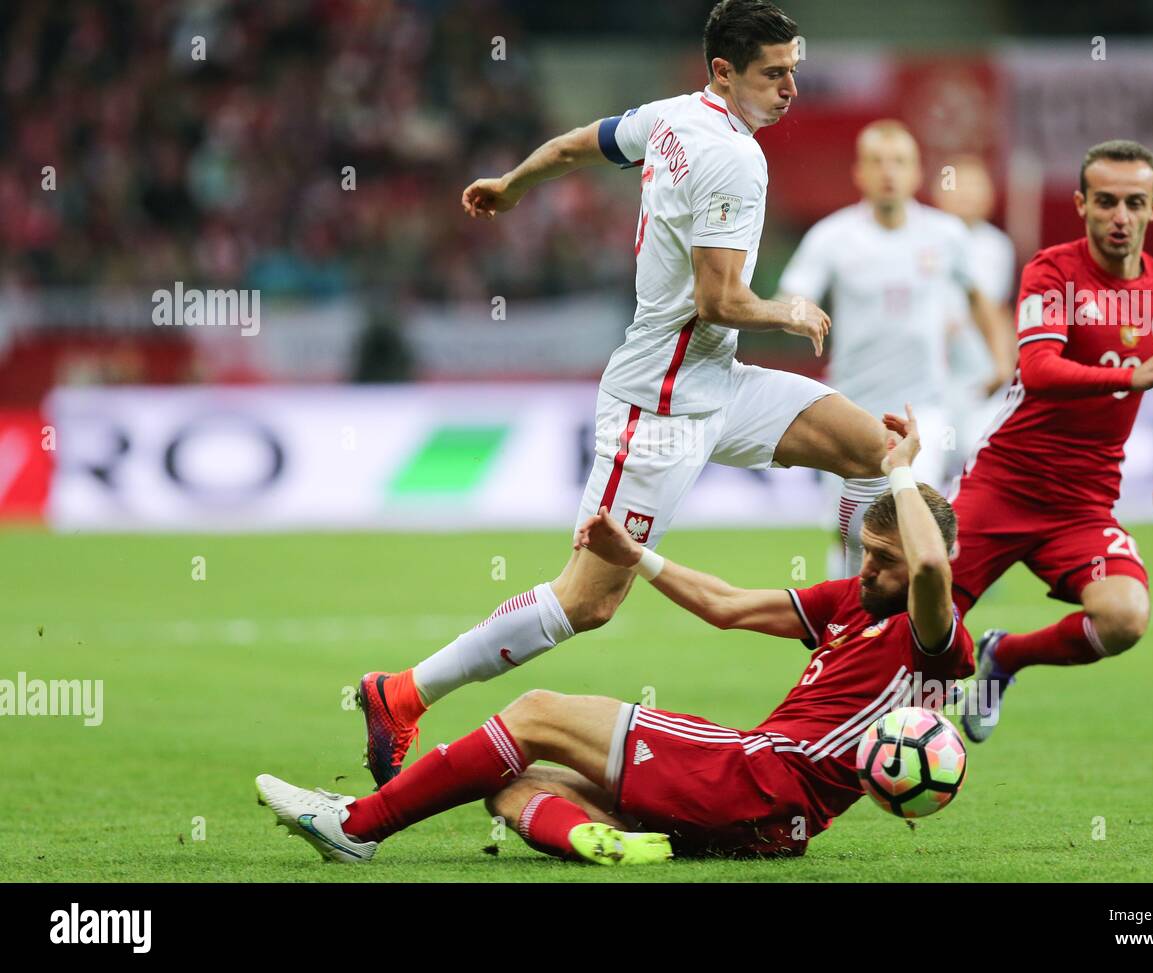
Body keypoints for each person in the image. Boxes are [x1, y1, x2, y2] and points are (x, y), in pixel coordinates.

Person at [354, 0, 899, 789]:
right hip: (661, 404)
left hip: (717, 381)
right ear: (724, 72)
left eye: (793, 71)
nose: (789, 88)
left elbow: (581, 143)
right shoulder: (734, 159)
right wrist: (791, 308)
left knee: (872, 449)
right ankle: (401, 692)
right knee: (588, 600)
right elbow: (719, 299)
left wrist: (512, 182)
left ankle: (852, 633)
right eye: (773, 74)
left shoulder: (673, 117)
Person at [256, 407, 974, 864]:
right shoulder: (851, 600)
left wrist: (900, 472)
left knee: (536, 709)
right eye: (868, 551)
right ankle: (598, 840)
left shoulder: (932, 633)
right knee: (509, 785)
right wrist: (639, 557)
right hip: (764, 823)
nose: (869, 565)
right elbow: (727, 605)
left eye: (886, 558)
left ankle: (355, 824)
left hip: (758, 774)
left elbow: (935, 563)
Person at [953, 139, 1153, 742]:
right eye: (1105, 202)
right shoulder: (1052, 271)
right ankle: (869, 729)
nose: (1119, 216)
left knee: (1124, 617)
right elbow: (1040, 370)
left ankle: (1007, 657)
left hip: (1081, 507)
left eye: (1132, 203)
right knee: (925, 620)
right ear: (1081, 204)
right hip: (1002, 485)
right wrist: (1130, 375)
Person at [777, 122, 1014, 578]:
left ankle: (905, 636)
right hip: (847, 408)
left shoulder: (944, 235)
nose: (889, 172)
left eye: (899, 162)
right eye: (877, 162)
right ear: (859, 173)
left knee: (911, 523)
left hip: (923, 408)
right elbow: (794, 291)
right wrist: (798, 312)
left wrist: (1001, 358)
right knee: (851, 531)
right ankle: (844, 627)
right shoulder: (834, 236)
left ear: (916, 172)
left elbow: (979, 298)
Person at [931, 154, 1018, 478]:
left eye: (976, 186)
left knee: (981, 455)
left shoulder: (998, 247)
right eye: (959, 185)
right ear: (939, 192)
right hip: (932, 374)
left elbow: (997, 308)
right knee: (930, 458)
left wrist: (1006, 362)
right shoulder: (925, 239)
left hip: (980, 373)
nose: (967, 194)